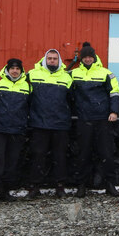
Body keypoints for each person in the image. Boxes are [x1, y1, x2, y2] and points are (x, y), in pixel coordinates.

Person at [70, 42, 119, 197]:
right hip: (83, 119)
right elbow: (65, 95)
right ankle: (81, 185)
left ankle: (110, 185)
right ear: (81, 59)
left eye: (89, 57)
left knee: (106, 153)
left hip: (102, 119)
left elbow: (115, 92)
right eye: (84, 57)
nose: (87, 59)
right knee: (82, 153)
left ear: (94, 57)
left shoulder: (106, 73)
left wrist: (114, 111)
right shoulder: (72, 74)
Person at [0, 58, 31, 205]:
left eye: (18, 69)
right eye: (12, 68)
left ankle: (5, 191)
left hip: (17, 130)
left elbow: (30, 106)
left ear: (21, 71)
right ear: (7, 70)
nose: (15, 71)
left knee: (11, 162)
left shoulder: (27, 86)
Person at [26, 49, 73, 197]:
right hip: (39, 123)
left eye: (55, 59)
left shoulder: (67, 77)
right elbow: (25, 96)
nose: (52, 61)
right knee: (38, 156)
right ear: (45, 60)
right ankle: (34, 186)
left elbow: (72, 100)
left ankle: (60, 186)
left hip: (60, 124)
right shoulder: (32, 75)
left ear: (59, 61)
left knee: (60, 156)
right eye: (50, 58)